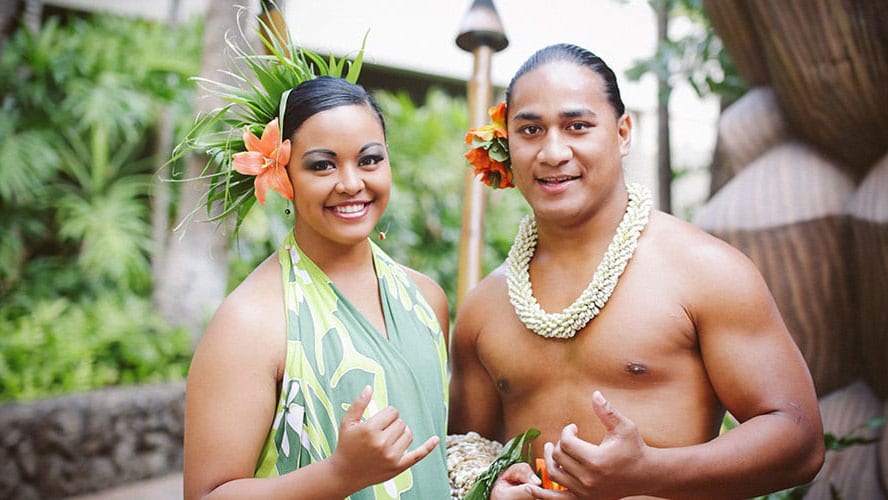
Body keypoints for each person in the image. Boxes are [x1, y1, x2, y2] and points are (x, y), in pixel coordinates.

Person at [450, 43, 824, 499]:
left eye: (577, 126)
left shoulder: (706, 272)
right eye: (530, 130)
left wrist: (649, 472)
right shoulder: (485, 307)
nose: (552, 151)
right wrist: (489, 488)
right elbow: (466, 454)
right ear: (507, 143)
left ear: (623, 133)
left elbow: (800, 440)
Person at [182, 75, 452, 499]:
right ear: (282, 175)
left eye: (369, 160)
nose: (350, 183)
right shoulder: (250, 323)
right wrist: (340, 474)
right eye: (322, 164)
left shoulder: (426, 300)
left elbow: (428, 457)